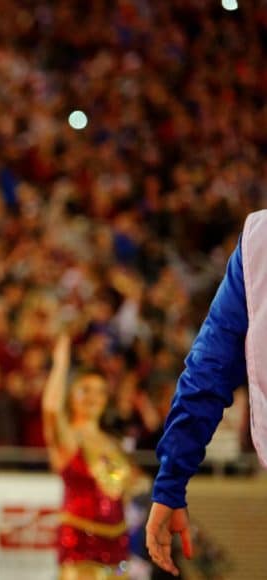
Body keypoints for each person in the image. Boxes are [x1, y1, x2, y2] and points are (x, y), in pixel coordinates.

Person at [145, 215, 265, 576]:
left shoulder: (260, 240)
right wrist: (170, 482)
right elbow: (207, 369)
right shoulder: (257, 241)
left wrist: (171, 481)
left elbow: (207, 370)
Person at [42, 334, 133, 579]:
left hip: (118, 543)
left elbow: (120, 490)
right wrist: (60, 366)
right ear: (71, 395)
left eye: (100, 391)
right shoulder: (70, 439)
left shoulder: (111, 443)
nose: (94, 398)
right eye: (86, 390)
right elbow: (51, 412)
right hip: (81, 543)